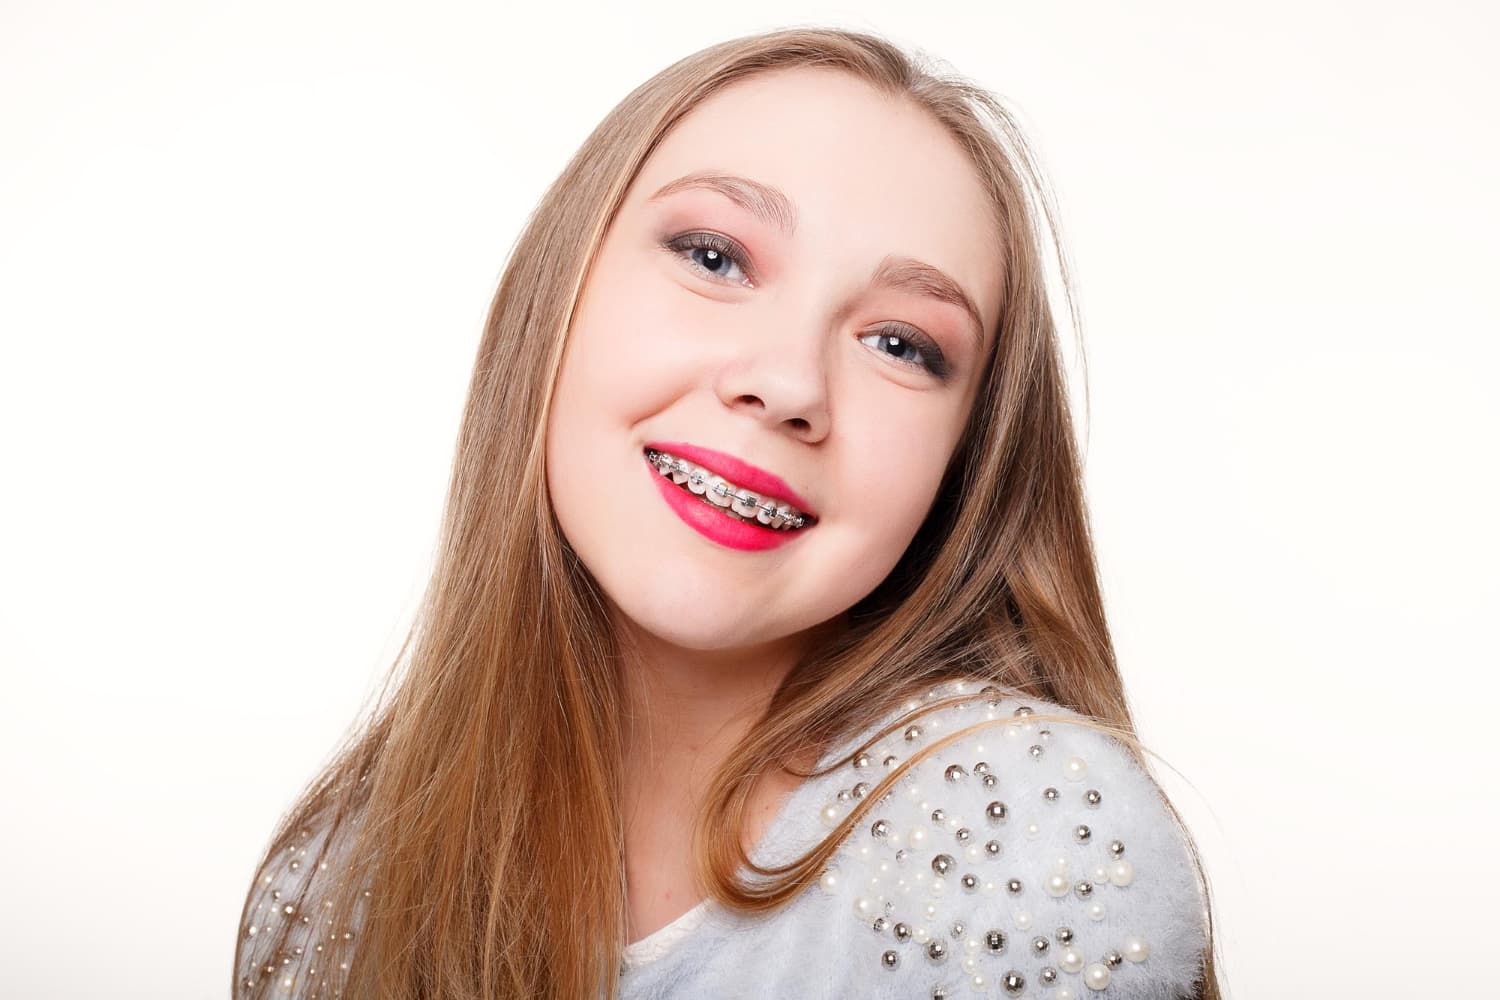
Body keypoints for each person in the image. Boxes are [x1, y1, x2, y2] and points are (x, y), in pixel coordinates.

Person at [233, 26, 1223, 1000]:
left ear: (965, 466)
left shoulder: (1029, 843)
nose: (789, 382)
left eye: (901, 344)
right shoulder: (335, 881)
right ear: (555, 294)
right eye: (714, 258)